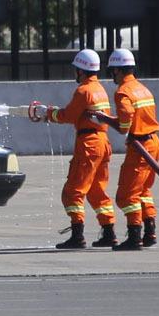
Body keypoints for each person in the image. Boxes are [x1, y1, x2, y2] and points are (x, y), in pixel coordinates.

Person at [30, 49, 117, 249]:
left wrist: (48, 113)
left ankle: (77, 235)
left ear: (81, 70)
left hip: (88, 144)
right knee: (96, 190)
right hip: (103, 142)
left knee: (72, 192)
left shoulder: (83, 91)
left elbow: (68, 115)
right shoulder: (100, 90)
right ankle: (109, 232)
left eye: (76, 70)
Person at [90, 48, 159, 251]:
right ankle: (150, 232)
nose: (112, 74)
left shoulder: (123, 92)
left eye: (113, 70)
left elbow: (123, 127)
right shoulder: (142, 88)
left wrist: (103, 118)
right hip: (154, 143)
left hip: (141, 147)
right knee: (143, 190)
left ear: (118, 71)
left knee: (126, 195)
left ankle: (134, 236)